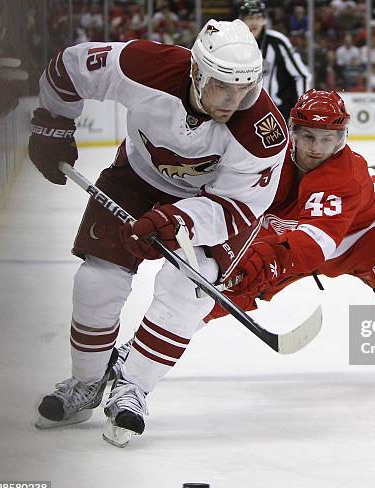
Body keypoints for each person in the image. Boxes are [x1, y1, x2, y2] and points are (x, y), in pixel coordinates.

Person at [111, 90, 375, 438]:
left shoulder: (346, 176)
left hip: (365, 235)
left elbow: (311, 246)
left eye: (329, 139)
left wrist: (263, 261)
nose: (317, 149)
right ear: (291, 131)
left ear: (343, 138)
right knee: (224, 289)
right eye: (309, 137)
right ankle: (140, 351)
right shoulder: (265, 157)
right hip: (294, 236)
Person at [29, 19, 288, 445]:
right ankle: (87, 382)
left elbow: (241, 206)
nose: (235, 100)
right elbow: (68, 67)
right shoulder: (145, 65)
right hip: (135, 177)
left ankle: (133, 389)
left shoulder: (261, 133)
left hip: (208, 204)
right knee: (96, 280)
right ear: (198, 73)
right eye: (224, 86)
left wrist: (181, 220)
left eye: (245, 88)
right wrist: (52, 123)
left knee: (189, 292)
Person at [239, 0, 312, 119]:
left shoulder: (277, 42)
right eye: (249, 17)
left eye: (258, 18)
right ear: (242, 20)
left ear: (265, 20)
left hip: (276, 111)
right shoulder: (233, 43)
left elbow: (302, 76)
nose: (254, 22)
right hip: (243, 112)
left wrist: (300, 109)